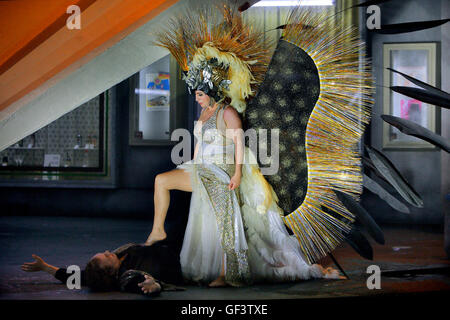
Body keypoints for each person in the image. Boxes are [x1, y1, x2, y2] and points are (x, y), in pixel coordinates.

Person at [21, 242, 184, 296]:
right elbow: (142, 287)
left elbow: (73, 275)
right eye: (106, 257)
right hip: (178, 261)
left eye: (104, 253)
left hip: (166, 246)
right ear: (110, 271)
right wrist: (154, 286)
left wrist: (44, 267)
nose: (108, 252)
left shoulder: (94, 274)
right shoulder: (125, 277)